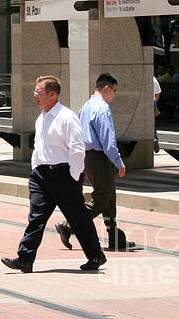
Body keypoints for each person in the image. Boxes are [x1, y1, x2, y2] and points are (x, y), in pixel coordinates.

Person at [1, 75, 106, 273]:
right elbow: (40, 145)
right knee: (36, 217)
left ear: (52, 94)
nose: (35, 95)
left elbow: (77, 148)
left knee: (78, 218)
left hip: (64, 175)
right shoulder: (42, 117)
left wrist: (74, 177)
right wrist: (35, 169)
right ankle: (25, 258)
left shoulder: (66, 117)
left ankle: (96, 255)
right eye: (35, 91)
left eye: (38, 92)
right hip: (41, 175)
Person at [55, 73, 136, 252]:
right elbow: (108, 140)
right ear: (106, 88)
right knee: (102, 198)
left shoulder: (86, 106)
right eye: (114, 91)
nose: (114, 95)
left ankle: (115, 237)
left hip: (88, 156)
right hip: (100, 158)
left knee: (109, 197)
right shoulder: (102, 108)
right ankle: (68, 225)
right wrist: (118, 161)